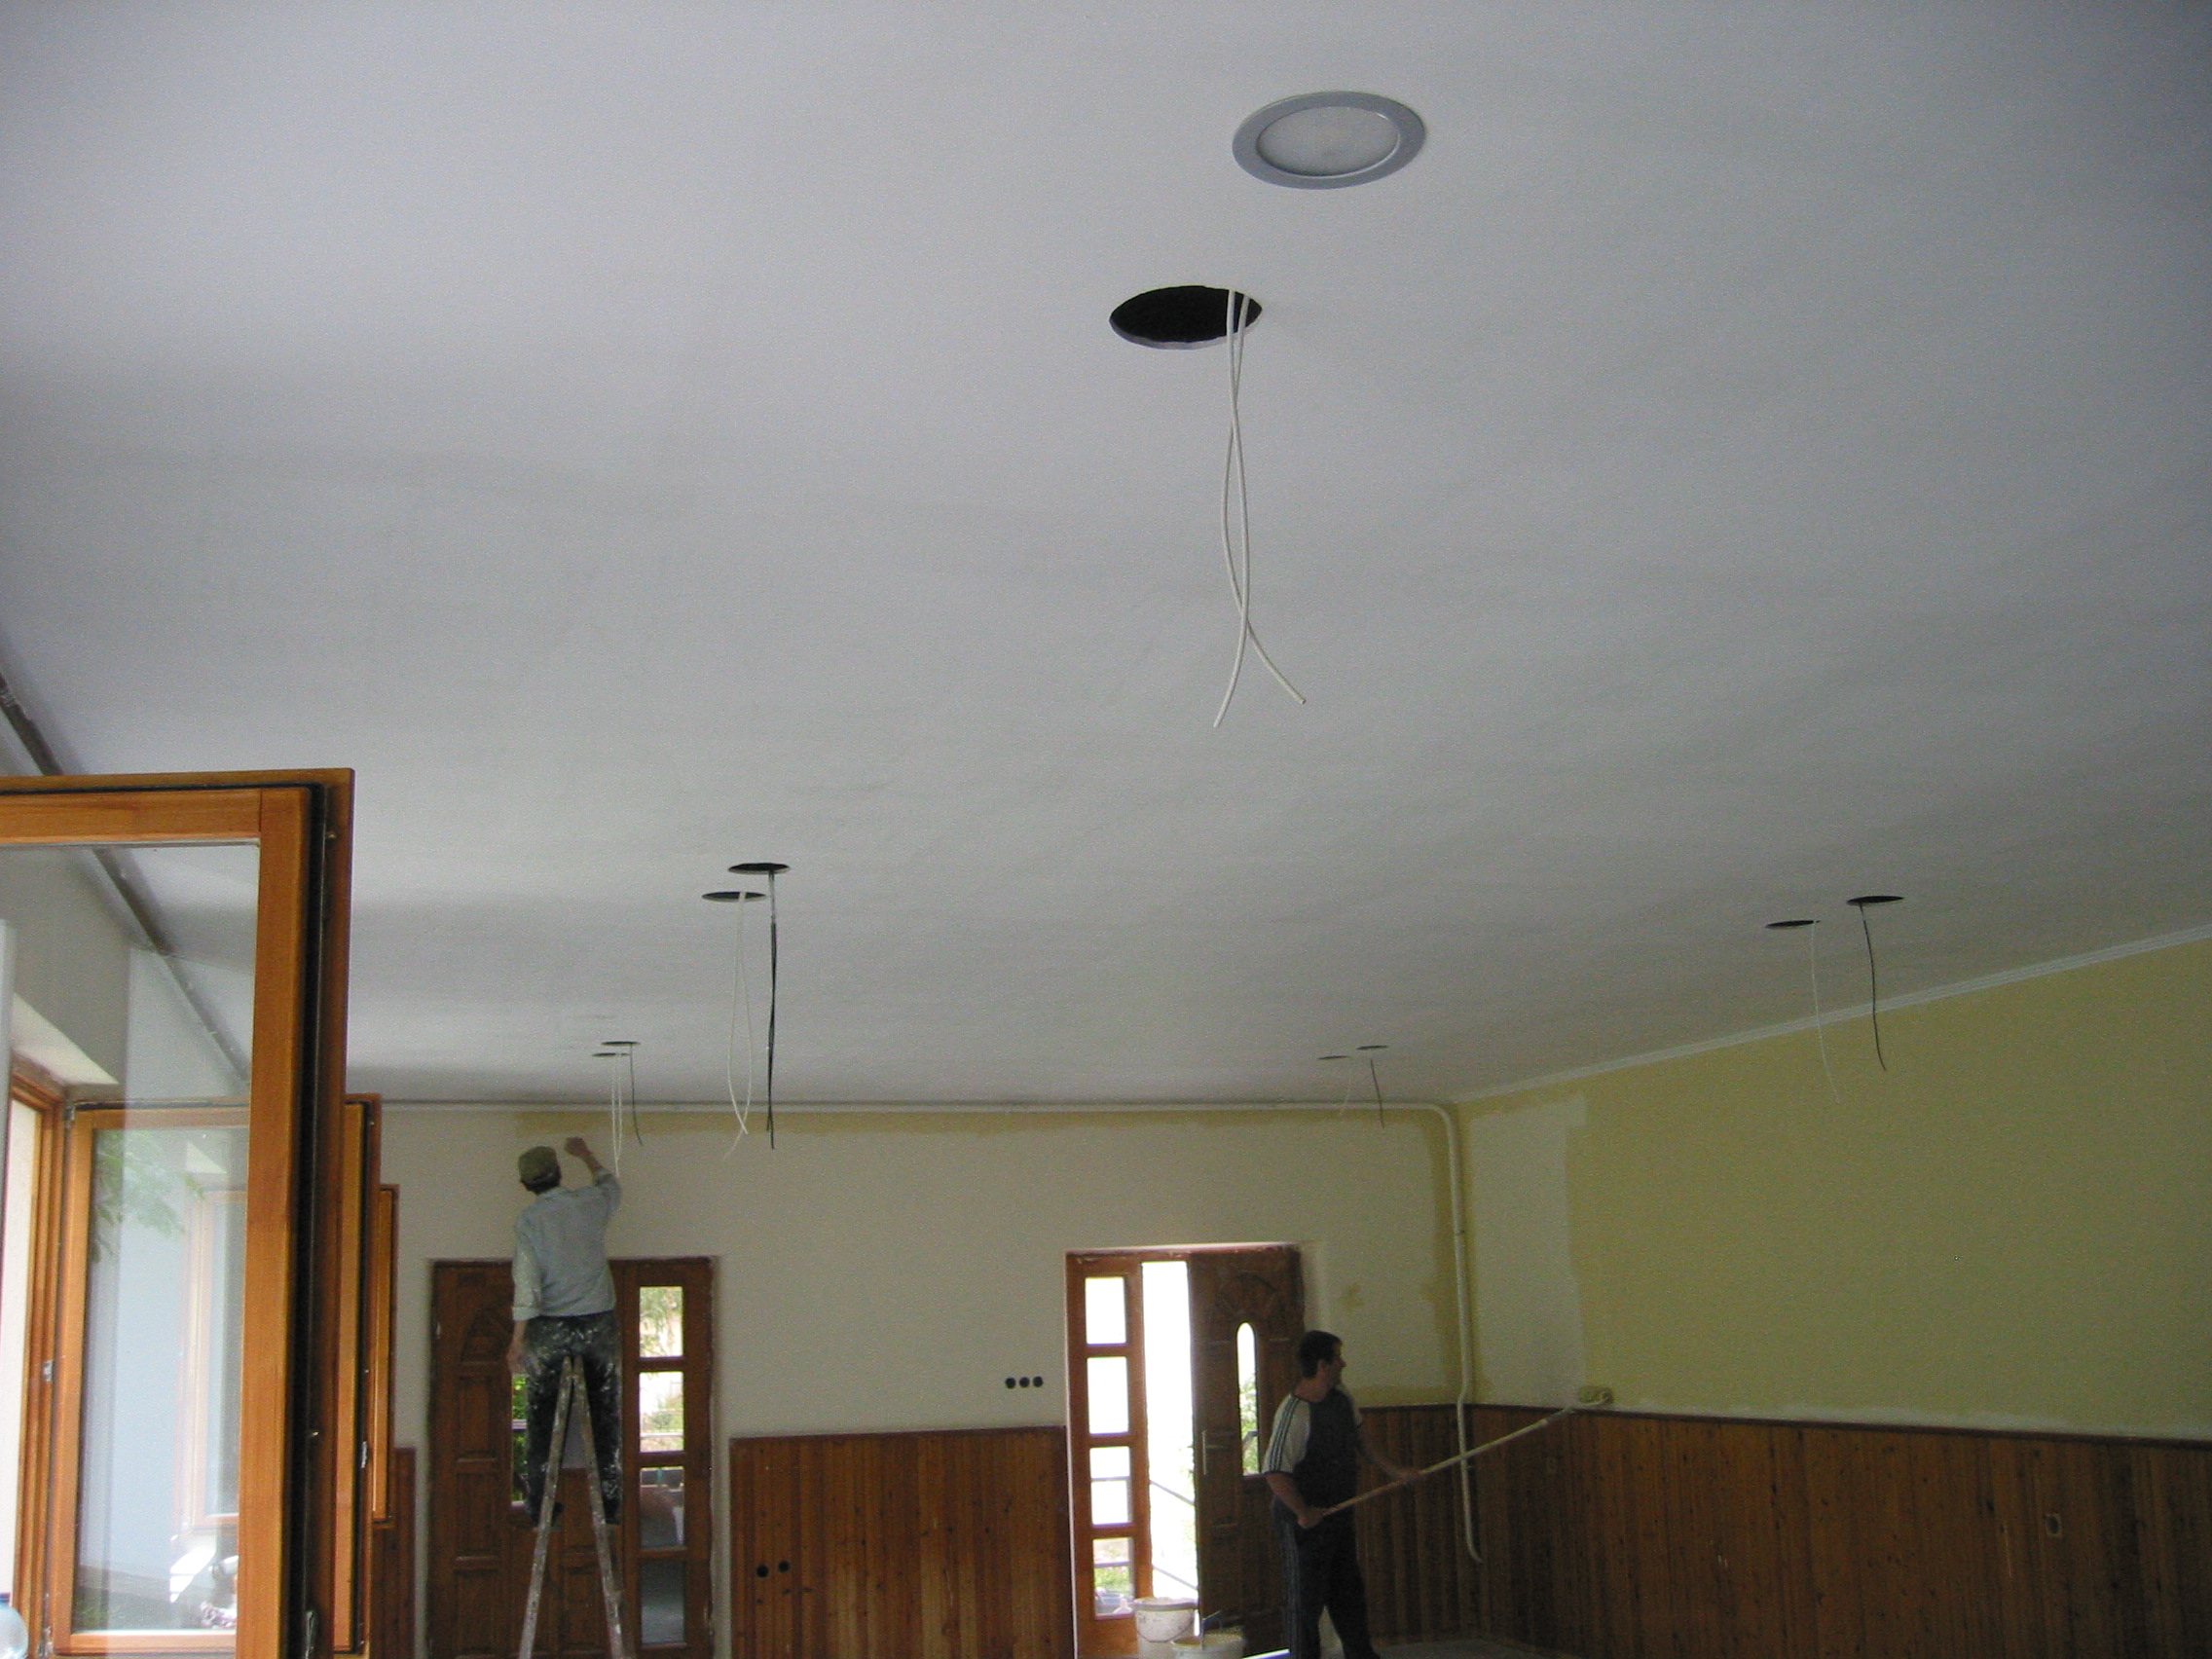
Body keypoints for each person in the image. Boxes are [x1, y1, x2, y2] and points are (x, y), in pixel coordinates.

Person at [1261, 1331, 1414, 1659]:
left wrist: (1395, 1471)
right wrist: (1303, 1512)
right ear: (1322, 1365)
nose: (1343, 1363)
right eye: (1338, 1357)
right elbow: (1274, 1472)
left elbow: (1362, 1439)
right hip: (1301, 1523)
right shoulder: (1294, 1413)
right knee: (1304, 1602)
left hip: (1338, 1514)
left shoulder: (1341, 1397)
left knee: (1348, 1593)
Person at [507, 1135, 623, 1525]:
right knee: (604, 1410)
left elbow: (527, 1283)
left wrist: (518, 1340)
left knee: (542, 1415)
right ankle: (609, 1504)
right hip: (598, 1324)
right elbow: (611, 1187)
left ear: (526, 1185)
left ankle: (540, 1506)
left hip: (550, 1328)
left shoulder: (530, 1221)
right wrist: (587, 1155)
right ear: (558, 1172)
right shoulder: (590, 1204)